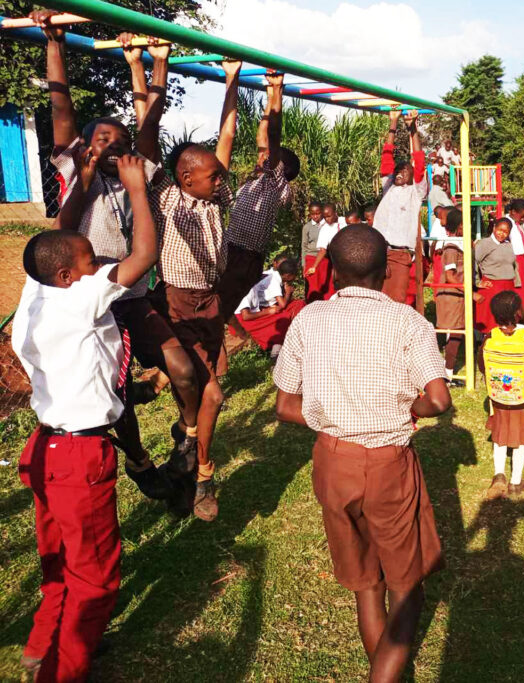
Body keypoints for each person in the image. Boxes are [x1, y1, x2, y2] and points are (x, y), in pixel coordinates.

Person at [273, 224, 450, 682]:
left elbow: (285, 405)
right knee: (407, 587)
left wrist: (333, 417)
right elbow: (438, 400)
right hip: (387, 461)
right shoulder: (408, 321)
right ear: (387, 271)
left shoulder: (309, 318)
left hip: (332, 463)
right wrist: (408, 405)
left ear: (331, 271)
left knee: (366, 585)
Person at [12, 155, 157, 682]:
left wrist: (85, 180)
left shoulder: (37, 293)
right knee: (95, 576)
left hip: (45, 449)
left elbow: (59, 233)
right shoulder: (80, 298)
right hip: (78, 456)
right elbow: (144, 253)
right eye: (92, 261)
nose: (99, 265)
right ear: (70, 275)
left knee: (59, 563)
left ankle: (40, 643)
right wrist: (138, 190)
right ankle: (62, 670)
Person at [34, 12, 185, 500]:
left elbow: (151, 121)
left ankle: (189, 439)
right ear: (83, 146)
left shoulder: (132, 179)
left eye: (119, 142)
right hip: (91, 304)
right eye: (102, 139)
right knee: (117, 399)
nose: (112, 145)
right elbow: (62, 108)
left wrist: (150, 64)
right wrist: (53, 41)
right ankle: (141, 463)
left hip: (132, 296)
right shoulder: (76, 174)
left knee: (181, 368)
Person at [147, 59, 243, 521]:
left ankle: (190, 469)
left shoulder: (215, 195)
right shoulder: (169, 195)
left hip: (210, 301)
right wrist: (153, 66)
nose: (222, 179)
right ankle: (198, 467)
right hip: (178, 302)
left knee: (208, 395)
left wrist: (231, 79)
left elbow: (226, 138)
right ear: (186, 179)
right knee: (212, 396)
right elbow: (149, 135)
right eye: (213, 175)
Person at [217, 73, 299, 317]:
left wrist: (278, 90)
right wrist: (269, 95)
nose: (262, 156)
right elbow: (262, 137)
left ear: (280, 167)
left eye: (269, 157)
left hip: (245, 256)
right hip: (231, 249)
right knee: (216, 309)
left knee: (220, 309)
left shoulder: (276, 183)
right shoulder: (259, 179)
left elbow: (272, 135)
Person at [479, 290, 524, 500]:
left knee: (499, 435)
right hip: (522, 399)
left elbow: (482, 365)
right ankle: (516, 482)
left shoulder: (490, 335)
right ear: (519, 313)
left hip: (498, 397)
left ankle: (498, 475)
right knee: (520, 440)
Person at [376, 110, 428, 303]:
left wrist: (412, 128)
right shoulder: (388, 187)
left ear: (412, 175)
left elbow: (420, 161)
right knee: (376, 298)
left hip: (400, 253)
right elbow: (387, 157)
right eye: (397, 170)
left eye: (404, 171)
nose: (398, 173)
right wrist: (393, 122)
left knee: (397, 299)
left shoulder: (416, 192)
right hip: (378, 252)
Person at [234, 258, 304, 359]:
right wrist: (268, 311)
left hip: (258, 311)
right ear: (288, 276)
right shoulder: (247, 290)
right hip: (247, 318)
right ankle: (276, 350)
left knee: (298, 304)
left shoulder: (261, 282)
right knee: (283, 318)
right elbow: (245, 316)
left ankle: (295, 336)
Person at [436, 210, 469, 386]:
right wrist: (470, 292)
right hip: (452, 295)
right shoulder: (451, 247)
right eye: (464, 225)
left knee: (455, 334)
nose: (467, 228)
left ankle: (445, 372)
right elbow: (450, 276)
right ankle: (447, 375)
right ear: (457, 227)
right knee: (455, 333)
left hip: (459, 294)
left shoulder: (461, 243)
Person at [474, 218, 519, 333]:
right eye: (500, 230)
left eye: (505, 232)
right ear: (494, 228)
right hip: (492, 287)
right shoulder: (484, 244)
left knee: (506, 320)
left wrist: (517, 283)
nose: (502, 234)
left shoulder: (508, 245)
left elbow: (514, 265)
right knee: (491, 323)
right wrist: (477, 281)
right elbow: (473, 261)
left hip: (508, 287)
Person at [306, 203, 341, 302]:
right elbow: (322, 250)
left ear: (335, 213)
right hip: (337, 262)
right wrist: (314, 266)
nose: (327, 220)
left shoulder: (344, 221)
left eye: (329, 216)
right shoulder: (325, 229)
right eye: (325, 217)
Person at [505, 198, 524, 316]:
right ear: (513, 212)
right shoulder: (506, 222)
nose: (523, 219)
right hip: (515, 260)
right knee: (517, 290)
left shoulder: (517, 223)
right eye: (521, 216)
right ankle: (517, 316)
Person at [301, 202, 324, 294]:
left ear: (322, 212)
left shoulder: (327, 224)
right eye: (312, 214)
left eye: (317, 213)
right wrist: (304, 265)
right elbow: (304, 246)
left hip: (324, 258)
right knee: (312, 287)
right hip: (311, 258)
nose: (315, 216)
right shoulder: (307, 227)